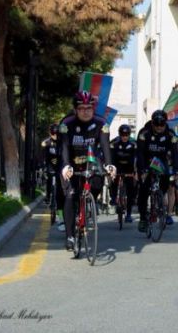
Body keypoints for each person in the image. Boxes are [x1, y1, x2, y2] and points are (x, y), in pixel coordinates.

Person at [60, 91, 116, 251]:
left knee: (98, 180)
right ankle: (70, 235)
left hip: (92, 160)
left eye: (89, 108)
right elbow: (63, 148)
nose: (86, 111)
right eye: (82, 108)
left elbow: (105, 146)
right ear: (75, 109)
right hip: (71, 161)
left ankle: (89, 201)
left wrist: (110, 165)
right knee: (70, 195)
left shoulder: (101, 123)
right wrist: (65, 165)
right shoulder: (66, 124)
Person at [136, 110, 178, 232]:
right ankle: (143, 218)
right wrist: (142, 170)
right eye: (157, 125)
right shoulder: (144, 133)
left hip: (162, 161)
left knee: (166, 183)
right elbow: (139, 153)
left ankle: (159, 200)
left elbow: (175, 154)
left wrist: (177, 170)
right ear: (152, 123)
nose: (160, 127)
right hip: (146, 159)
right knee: (144, 190)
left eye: (162, 125)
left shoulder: (171, 134)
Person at [110, 124, 137, 223]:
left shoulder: (134, 144)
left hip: (129, 168)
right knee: (113, 180)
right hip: (118, 166)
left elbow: (136, 158)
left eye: (127, 135)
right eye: (123, 134)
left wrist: (135, 172)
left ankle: (129, 214)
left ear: (129, 135)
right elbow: (111, 157)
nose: (125, 137)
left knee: (131, 189)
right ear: (120, 134)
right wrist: (111, 170)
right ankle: (113, 197)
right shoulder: (114, 143)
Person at [40, 123, 65, 232]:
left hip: (60, 166)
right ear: (50, 133)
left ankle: (59, 208)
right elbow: (43, 151)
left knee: (59, 186)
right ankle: (48, 196)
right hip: (50, 166)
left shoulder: (62, 142)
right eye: (53, 134)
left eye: (57, 133)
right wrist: (42, 166)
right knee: (50, 180)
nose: (55, 136)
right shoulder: (48, 142)